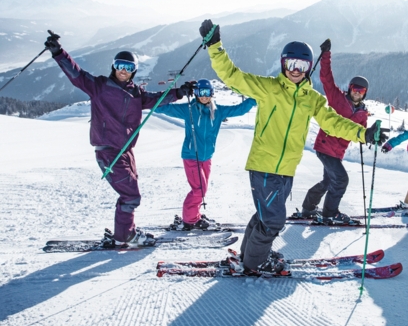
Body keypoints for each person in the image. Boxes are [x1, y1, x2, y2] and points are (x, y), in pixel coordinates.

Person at [198, 19, 387, 276]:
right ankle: (254, 264)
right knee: (274, 220)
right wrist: (214, 46)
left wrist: (363, 133)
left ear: (308, 68)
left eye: (301, 65)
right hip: (263, 166)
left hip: (286, 169)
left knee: (265, 215)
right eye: (291, 64)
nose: (295, 70)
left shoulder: (312, 100)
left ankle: (249, 255)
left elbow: (333, 123)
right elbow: (232, 76)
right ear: (283, 63)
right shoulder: (268, 89)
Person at [44, 33, 194, 246]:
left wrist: (180, 92)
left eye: (128, 67)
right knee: (131, 195)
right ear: (113, 66)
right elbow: (76, 75)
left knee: (129, 193)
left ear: (134, 71)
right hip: (108, 151)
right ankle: (125, 236)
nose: (123, 70)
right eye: (119, 65)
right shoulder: (99, 86)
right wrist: (59, 53)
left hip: (125, 151)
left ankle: (124, 231)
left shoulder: (136, 93)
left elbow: (157, 99)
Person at [156, 79, 255, 230]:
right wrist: (174, 95)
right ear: (195, 94)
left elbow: (239, 110)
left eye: (207, 93)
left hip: (206, 157)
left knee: (202, 189)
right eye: (200, 93)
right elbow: (162, 108)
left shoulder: (218, 111)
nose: (204, 96)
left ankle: (193, 213)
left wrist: (255, 98)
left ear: (212, 94)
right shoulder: (189, 109)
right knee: (199, 189)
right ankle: (190, 220)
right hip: (191, 155)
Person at [300, 38, 369, 224]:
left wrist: (370, 135)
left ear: (365, 93)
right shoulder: (337, 98)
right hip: (325, 146)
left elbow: (361, 133)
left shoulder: (363, 113)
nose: (357, 92)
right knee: (340, 180)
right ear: (350, 88)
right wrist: (326, 55)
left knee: (329, 182)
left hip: (338, 152)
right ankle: (329, 214)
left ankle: (308, 207)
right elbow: (326, 78)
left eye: (361, 91)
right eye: (355, 88)